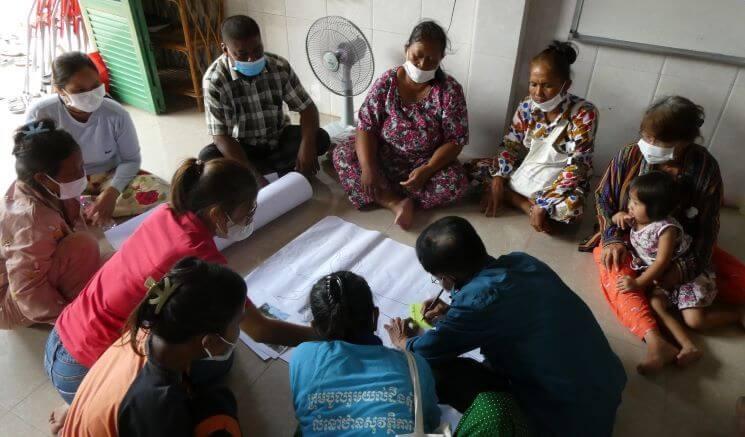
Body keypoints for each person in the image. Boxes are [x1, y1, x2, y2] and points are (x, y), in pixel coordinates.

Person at [45, 157, 317, 428]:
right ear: (216, 214)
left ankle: (78, 400)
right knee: (219, 360)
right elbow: (260, 330)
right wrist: (321, 334)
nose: (249, 219)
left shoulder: (166, 213)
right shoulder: (197, 258)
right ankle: (79, 402)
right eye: (247, 212)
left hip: (61, 336)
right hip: (85, 370)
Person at [385, 216, 626, 436]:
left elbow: (428, 350)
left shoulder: (476, 304)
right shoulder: (522, 261)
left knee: (436, 371)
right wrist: (453, 311)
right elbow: (508, 311)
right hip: (605, 385)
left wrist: (404, 342)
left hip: (564, 419)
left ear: (448, 277)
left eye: (438, 279)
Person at [581, 95, 745, 374]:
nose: (649, 145)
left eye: (658, 140)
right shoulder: (630, 155)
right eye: (646, 136)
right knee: (617, 276)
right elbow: (604, 198)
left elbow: (707, 229)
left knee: (731, 276)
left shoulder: (704, 169)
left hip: (681, 246)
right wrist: (612, 237)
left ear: (684, 141)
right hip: (630, 241)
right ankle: (656, 341)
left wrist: (681, 269)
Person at [59, 257, 243, 437]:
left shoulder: (148, 332)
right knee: (218, 404)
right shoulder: (160, 406)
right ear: (209, 341)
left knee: (212, 395)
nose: (239, 330)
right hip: (141, 415)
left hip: (98, 418)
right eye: (238, 322)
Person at [332, 20, 469, 230]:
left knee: (455, 182)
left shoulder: (449, 91)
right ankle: (394, 202)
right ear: (406, 50)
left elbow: (455, 141)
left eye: (432, 59)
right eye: (417, 56)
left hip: (424, 165)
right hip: (384, 158)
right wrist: (368, 168)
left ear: (442, 59)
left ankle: (386, 193)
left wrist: (428, 169)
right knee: (342, 154)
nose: (423, 64)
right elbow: (366, 126)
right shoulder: (387, 82)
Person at [616, 172, 745, 367]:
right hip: (665, 279)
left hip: (686, 277)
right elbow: (620, 219)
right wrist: (617, 216)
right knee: (655, 304)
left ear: (655, 209)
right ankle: (686, 346)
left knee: (695, 321)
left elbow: (661, 262)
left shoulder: (666, 229)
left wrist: (638, 283)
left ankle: (738, 314)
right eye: (631, 201)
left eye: (636, 203)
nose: (629, 206)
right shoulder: (636, 219)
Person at [468, 41, 598, 233]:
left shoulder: (584, 113)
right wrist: (499, 178)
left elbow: (578, 165)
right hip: (528, 171)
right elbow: (511, 144)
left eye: (547, 86)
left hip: (560, 178)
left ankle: (515, 198)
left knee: (571, 210)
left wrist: (545, 203)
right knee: (472, 168)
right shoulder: (527, 106)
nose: (538, 93)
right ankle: (523, 203)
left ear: (565, 85)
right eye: (533, 84)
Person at [290, 271, 441, 436]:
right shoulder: (415, 365)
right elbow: (430, 422)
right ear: (375, 317)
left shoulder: (301, 356)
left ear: (315, 327)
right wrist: (405, 348)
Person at [26, 52, 168, 226]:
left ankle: (88, 210)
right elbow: (33, 163)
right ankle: (82, 210)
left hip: (109, 175)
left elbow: (131, 160)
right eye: (79, 91)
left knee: (164, 194)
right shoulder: (41, 114)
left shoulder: (116, 114)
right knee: (32, 210)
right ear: (59, 90)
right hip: (64, 180)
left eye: (95, 86)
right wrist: (67, 193)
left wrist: (111, 193)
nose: (91, 95)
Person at [200, 15, 330, 177]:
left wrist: (307, 146)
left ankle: (266, 170)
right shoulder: (215, 80)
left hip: (278, 140)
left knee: (320, 138)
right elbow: (221, 137)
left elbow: (307, 108)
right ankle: (269, 170)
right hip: (243, 148)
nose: (252, 59)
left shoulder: (278, 66)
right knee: (207, 159)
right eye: (242, 54)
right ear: (225, 49)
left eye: (257, 50)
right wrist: (253, 176)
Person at [0, 119, 100, 330]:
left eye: (82, 166)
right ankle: (75, 310)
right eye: (75, 171)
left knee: (100, 254)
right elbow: (28, 291)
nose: (83, 175)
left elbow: (69, 220)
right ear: (42, 178)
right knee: (84, 245)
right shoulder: (32, 222)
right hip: (12, 298)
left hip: (25, 275)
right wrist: (73, 322)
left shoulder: (47, 187)